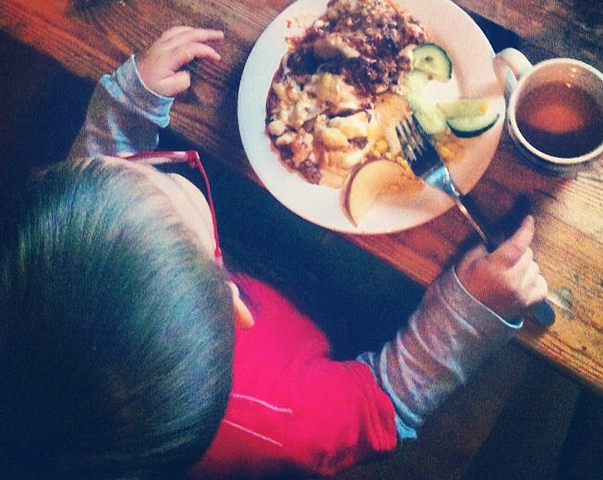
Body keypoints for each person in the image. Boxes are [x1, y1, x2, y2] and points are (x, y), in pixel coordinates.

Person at [0, 27, 548, 479]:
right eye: (167, 178)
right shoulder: (273, 423)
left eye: (106, 170)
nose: (144, 161)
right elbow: (384, 405)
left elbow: (89, 203)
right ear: (231, 297)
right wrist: (470, 312)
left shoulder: (41, 279)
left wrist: (123, 112)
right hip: (333, 321)